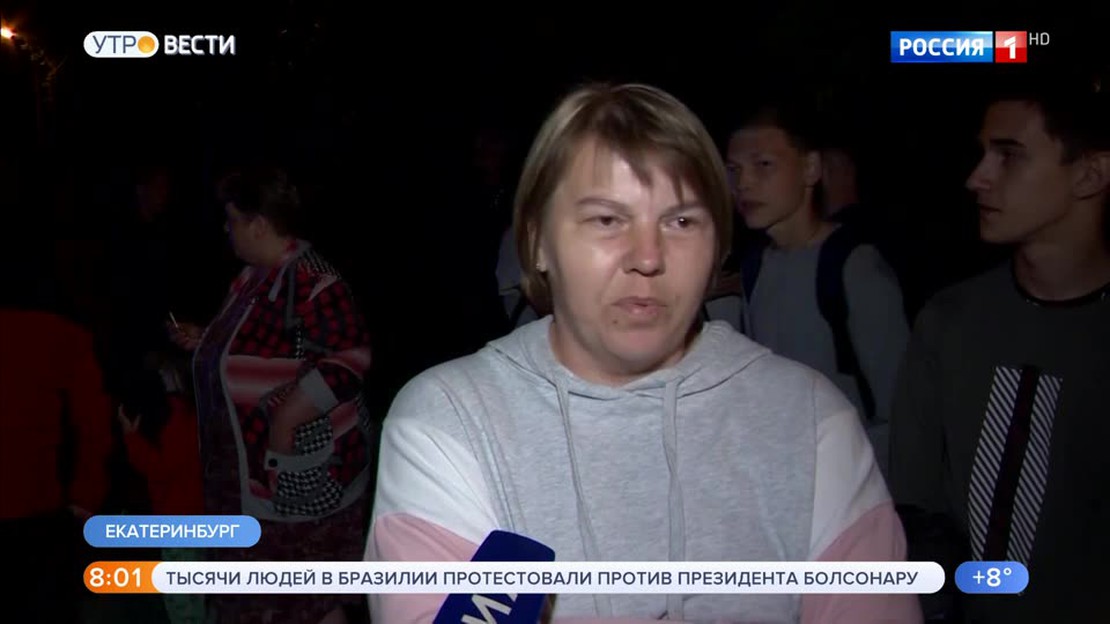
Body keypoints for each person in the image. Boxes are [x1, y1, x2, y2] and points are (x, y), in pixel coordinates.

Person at [367, 83, 921, 622]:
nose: (649, 257)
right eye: (607, 220)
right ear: (535, 242)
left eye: (681, 221)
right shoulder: (447, 424)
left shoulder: (813, 422)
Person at [889, 72, 1110, 624]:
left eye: (1009, 156)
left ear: (1089, 174)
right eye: (983, 153)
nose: (977, 178)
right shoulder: (949, 322)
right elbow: (914, 503)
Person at [169, 167, 375, 624]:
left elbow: (348, 359)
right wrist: (208, 341)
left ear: (258, 224)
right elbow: (261, 348)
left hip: (299, 480)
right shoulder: (252, 278)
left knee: (310, 599)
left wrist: (284, 425)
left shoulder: (313, 280)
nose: (226, 230)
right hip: (245, 480)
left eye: (232, 220)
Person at [724, 101, 910, 476]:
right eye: (734, 170)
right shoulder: (756, 267)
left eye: (763, 165)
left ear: (810, 169)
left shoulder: (852, 265)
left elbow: (902, 407)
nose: (743, 183)